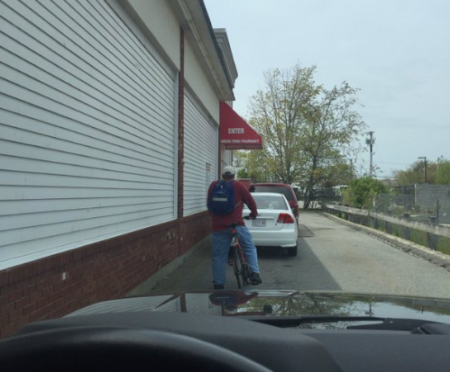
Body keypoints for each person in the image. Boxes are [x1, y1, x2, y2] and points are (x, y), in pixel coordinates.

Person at [207, 166, 262, 290]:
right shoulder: (238, 186)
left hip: (218, 227)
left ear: (222, 175)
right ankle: (255, 273)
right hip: (236, 224)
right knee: (249, 247)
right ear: (234, 175)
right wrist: (253, 214)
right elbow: (251, 202)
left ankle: (218, 284)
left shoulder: (213, 186)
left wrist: (214, 219)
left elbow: (209, 205)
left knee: (219, 256)